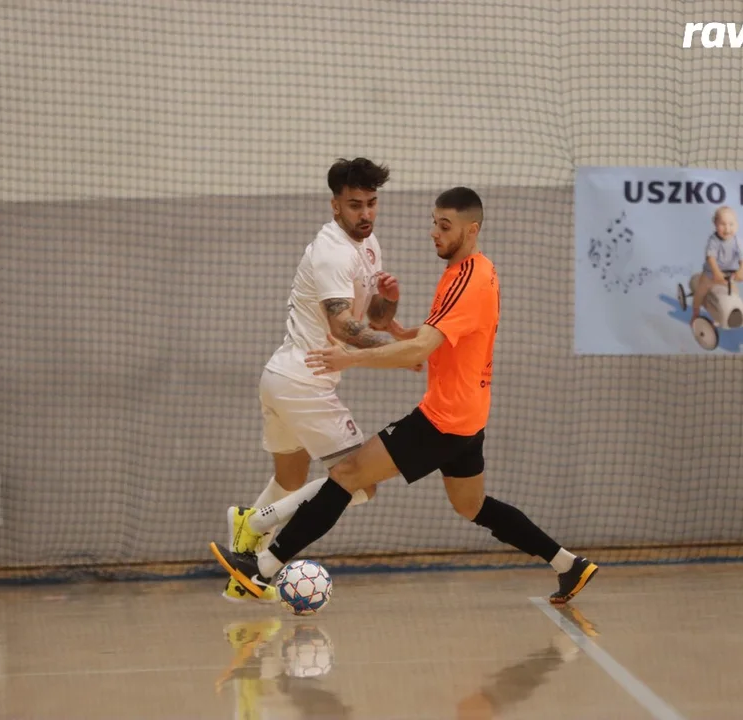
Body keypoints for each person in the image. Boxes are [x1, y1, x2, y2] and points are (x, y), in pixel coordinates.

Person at [211, 187, 598, 606]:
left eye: (444, 226)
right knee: (472, 505)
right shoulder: (474, 271)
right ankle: (567, 564)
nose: (434, 232)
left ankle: (262, 566)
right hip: (469, 413)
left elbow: (421, 351)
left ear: (472, 229)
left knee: (347, 476)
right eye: (433, 222)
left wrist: (350, 360)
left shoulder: (468, 279)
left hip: (443, 417)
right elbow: (441, 336)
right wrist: (398, 334)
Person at [221, 157, 408, 603]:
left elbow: (372, 318)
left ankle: (243, 576)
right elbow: (344, 327)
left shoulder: (368, 245)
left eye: (371, 203)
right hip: (305, 379)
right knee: (361, 483)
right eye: (354, 205)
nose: (365, 214)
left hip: (283, 376)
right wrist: (399, 353)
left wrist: (388, 301)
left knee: (290, 478)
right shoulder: (331, 251)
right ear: (334, 206)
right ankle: (256, 521)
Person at [690, 206, 743, 325]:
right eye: (722, 224)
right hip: (711, 273)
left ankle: (728, 313)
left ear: (736, 225)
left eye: (731, 224)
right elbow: (710, 257)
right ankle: (695, 314)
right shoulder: (714, 240)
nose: (727, 228)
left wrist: (741, 270)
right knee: (701, 292)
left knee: (734, 292)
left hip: (729, 274)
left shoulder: (738, 241)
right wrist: (716, 272)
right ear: (715, 224)